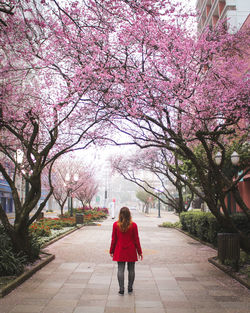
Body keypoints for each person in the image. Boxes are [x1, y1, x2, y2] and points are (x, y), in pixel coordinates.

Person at [109, 207, 143, 295]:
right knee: (131, 270)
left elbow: (114, 239)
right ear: (129, 214)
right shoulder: (134, 225)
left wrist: (111, 250)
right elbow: (136, 239)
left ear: (120, 214)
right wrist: (139, 252)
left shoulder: (116, 225)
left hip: (120, 250)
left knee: (120, 269)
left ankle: (121, 289)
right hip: (131, 250)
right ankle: (130, 288)